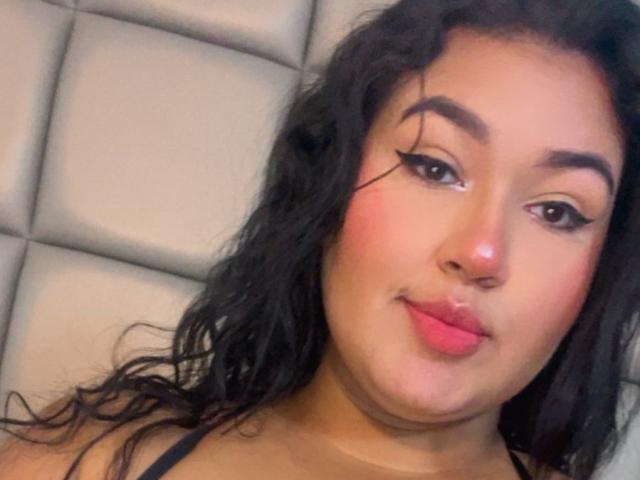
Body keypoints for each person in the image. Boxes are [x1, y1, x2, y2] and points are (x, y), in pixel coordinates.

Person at [2, 0, 640, 478]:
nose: (481, 253)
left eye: (557, 211)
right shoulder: (91, 461)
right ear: (329, 183)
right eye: (433, 167)